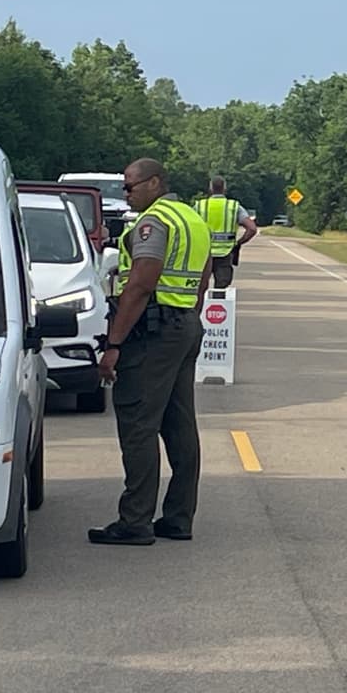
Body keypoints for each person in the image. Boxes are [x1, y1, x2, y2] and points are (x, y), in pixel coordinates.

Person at [89, 158, 213, 546]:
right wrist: (187, 316)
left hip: (153, 332)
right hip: (183, 325)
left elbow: (141, 283)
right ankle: (178, 517)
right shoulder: (192, 219)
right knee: (179, 424)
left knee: (138, 421)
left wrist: (114, 344)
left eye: (130, 186)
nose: (125, 194)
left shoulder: (154, 222)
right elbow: (204, 275)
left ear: (155, 183)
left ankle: (135, 520)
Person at [192, 176, 258, 289]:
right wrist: (238, 243)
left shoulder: (200, 206)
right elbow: (252, 229)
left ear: (210, 188)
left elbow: (188, 226)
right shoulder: (233, 206)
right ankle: (218, 299)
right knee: (221, 289)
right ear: (225, 188)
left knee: (200, 287)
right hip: (225, 253)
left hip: (203, 253)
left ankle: (201, 301)